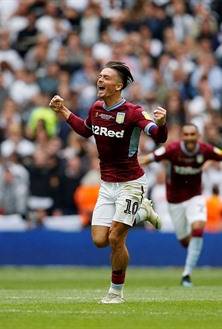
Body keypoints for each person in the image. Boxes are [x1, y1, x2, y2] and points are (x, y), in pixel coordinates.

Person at [49, 61, 167, 304]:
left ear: (118, 86)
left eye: (106, 77)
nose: (100, 80)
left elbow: (158, 136)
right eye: (100, 76)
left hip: (131, 183)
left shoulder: (133, 112)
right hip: (107, 185)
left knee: (115, 239)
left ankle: (116, 292)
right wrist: (62, 111)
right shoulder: (97, 108)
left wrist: (163, 123)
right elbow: (85, 130)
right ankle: (142, 212)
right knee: (100, 240)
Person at [139, 123, 222, 287]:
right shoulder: (172, 149)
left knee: (198, 228)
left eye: (192, 134)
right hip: (174, 201)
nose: (189, 138)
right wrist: (121, 165)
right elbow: (146, 159)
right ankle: (189, 247)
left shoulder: (205, 150)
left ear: (198, 136)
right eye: (186, 134)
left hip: (195, 197)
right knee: (185, 242)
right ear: (182, 136)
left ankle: (186, 274)